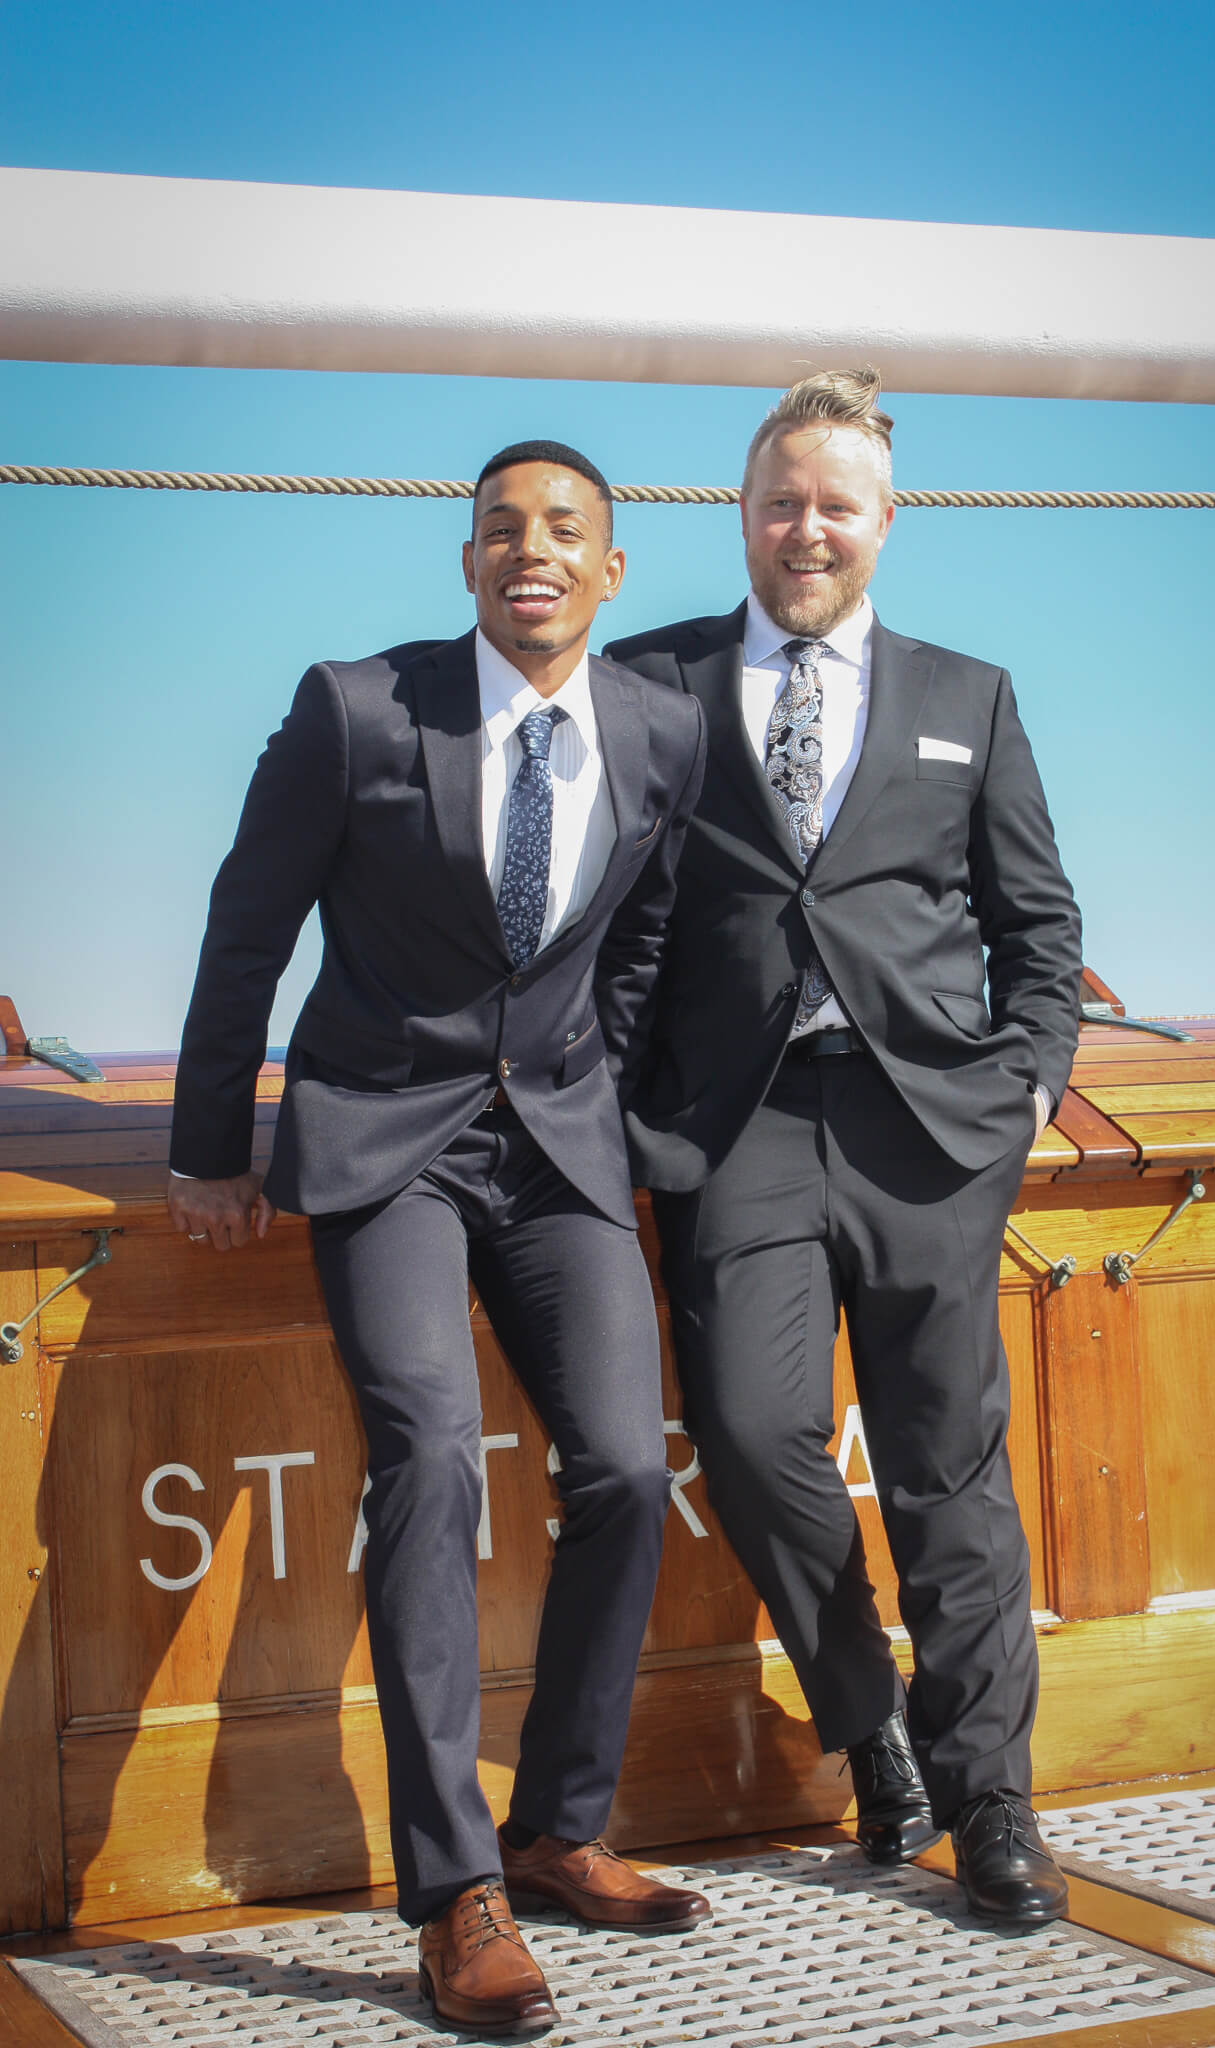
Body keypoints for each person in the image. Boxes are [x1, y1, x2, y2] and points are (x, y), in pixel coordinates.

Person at [167, 441, 709, 2036]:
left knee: (622, 1465)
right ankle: (452, 1890)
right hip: (379, 1141)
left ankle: (557, 1827)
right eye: (497, 532)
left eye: (562, 533)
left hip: (556, 1147)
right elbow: (245, 927)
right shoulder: (358, 707)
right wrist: (208, 1149)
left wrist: (594, 1088)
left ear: (610, 572)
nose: (527, 552)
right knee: (431, 1459)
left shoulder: (657, 731)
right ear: (465, 564)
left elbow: (648, 934)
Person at [605, 372, 1083, 1925]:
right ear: (741, 512)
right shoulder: (645, 681)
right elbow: (601, 920)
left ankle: (990, 1792)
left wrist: (1022, 1092)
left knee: (952, 1472)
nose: (805, 528)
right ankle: (865, 1715)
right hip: (730, 1127)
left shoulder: (971, 694)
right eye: (780, 500)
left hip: (930, 1130)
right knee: (748, 1434)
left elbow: (1037, 921)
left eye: (836, 504)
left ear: (884, 520)